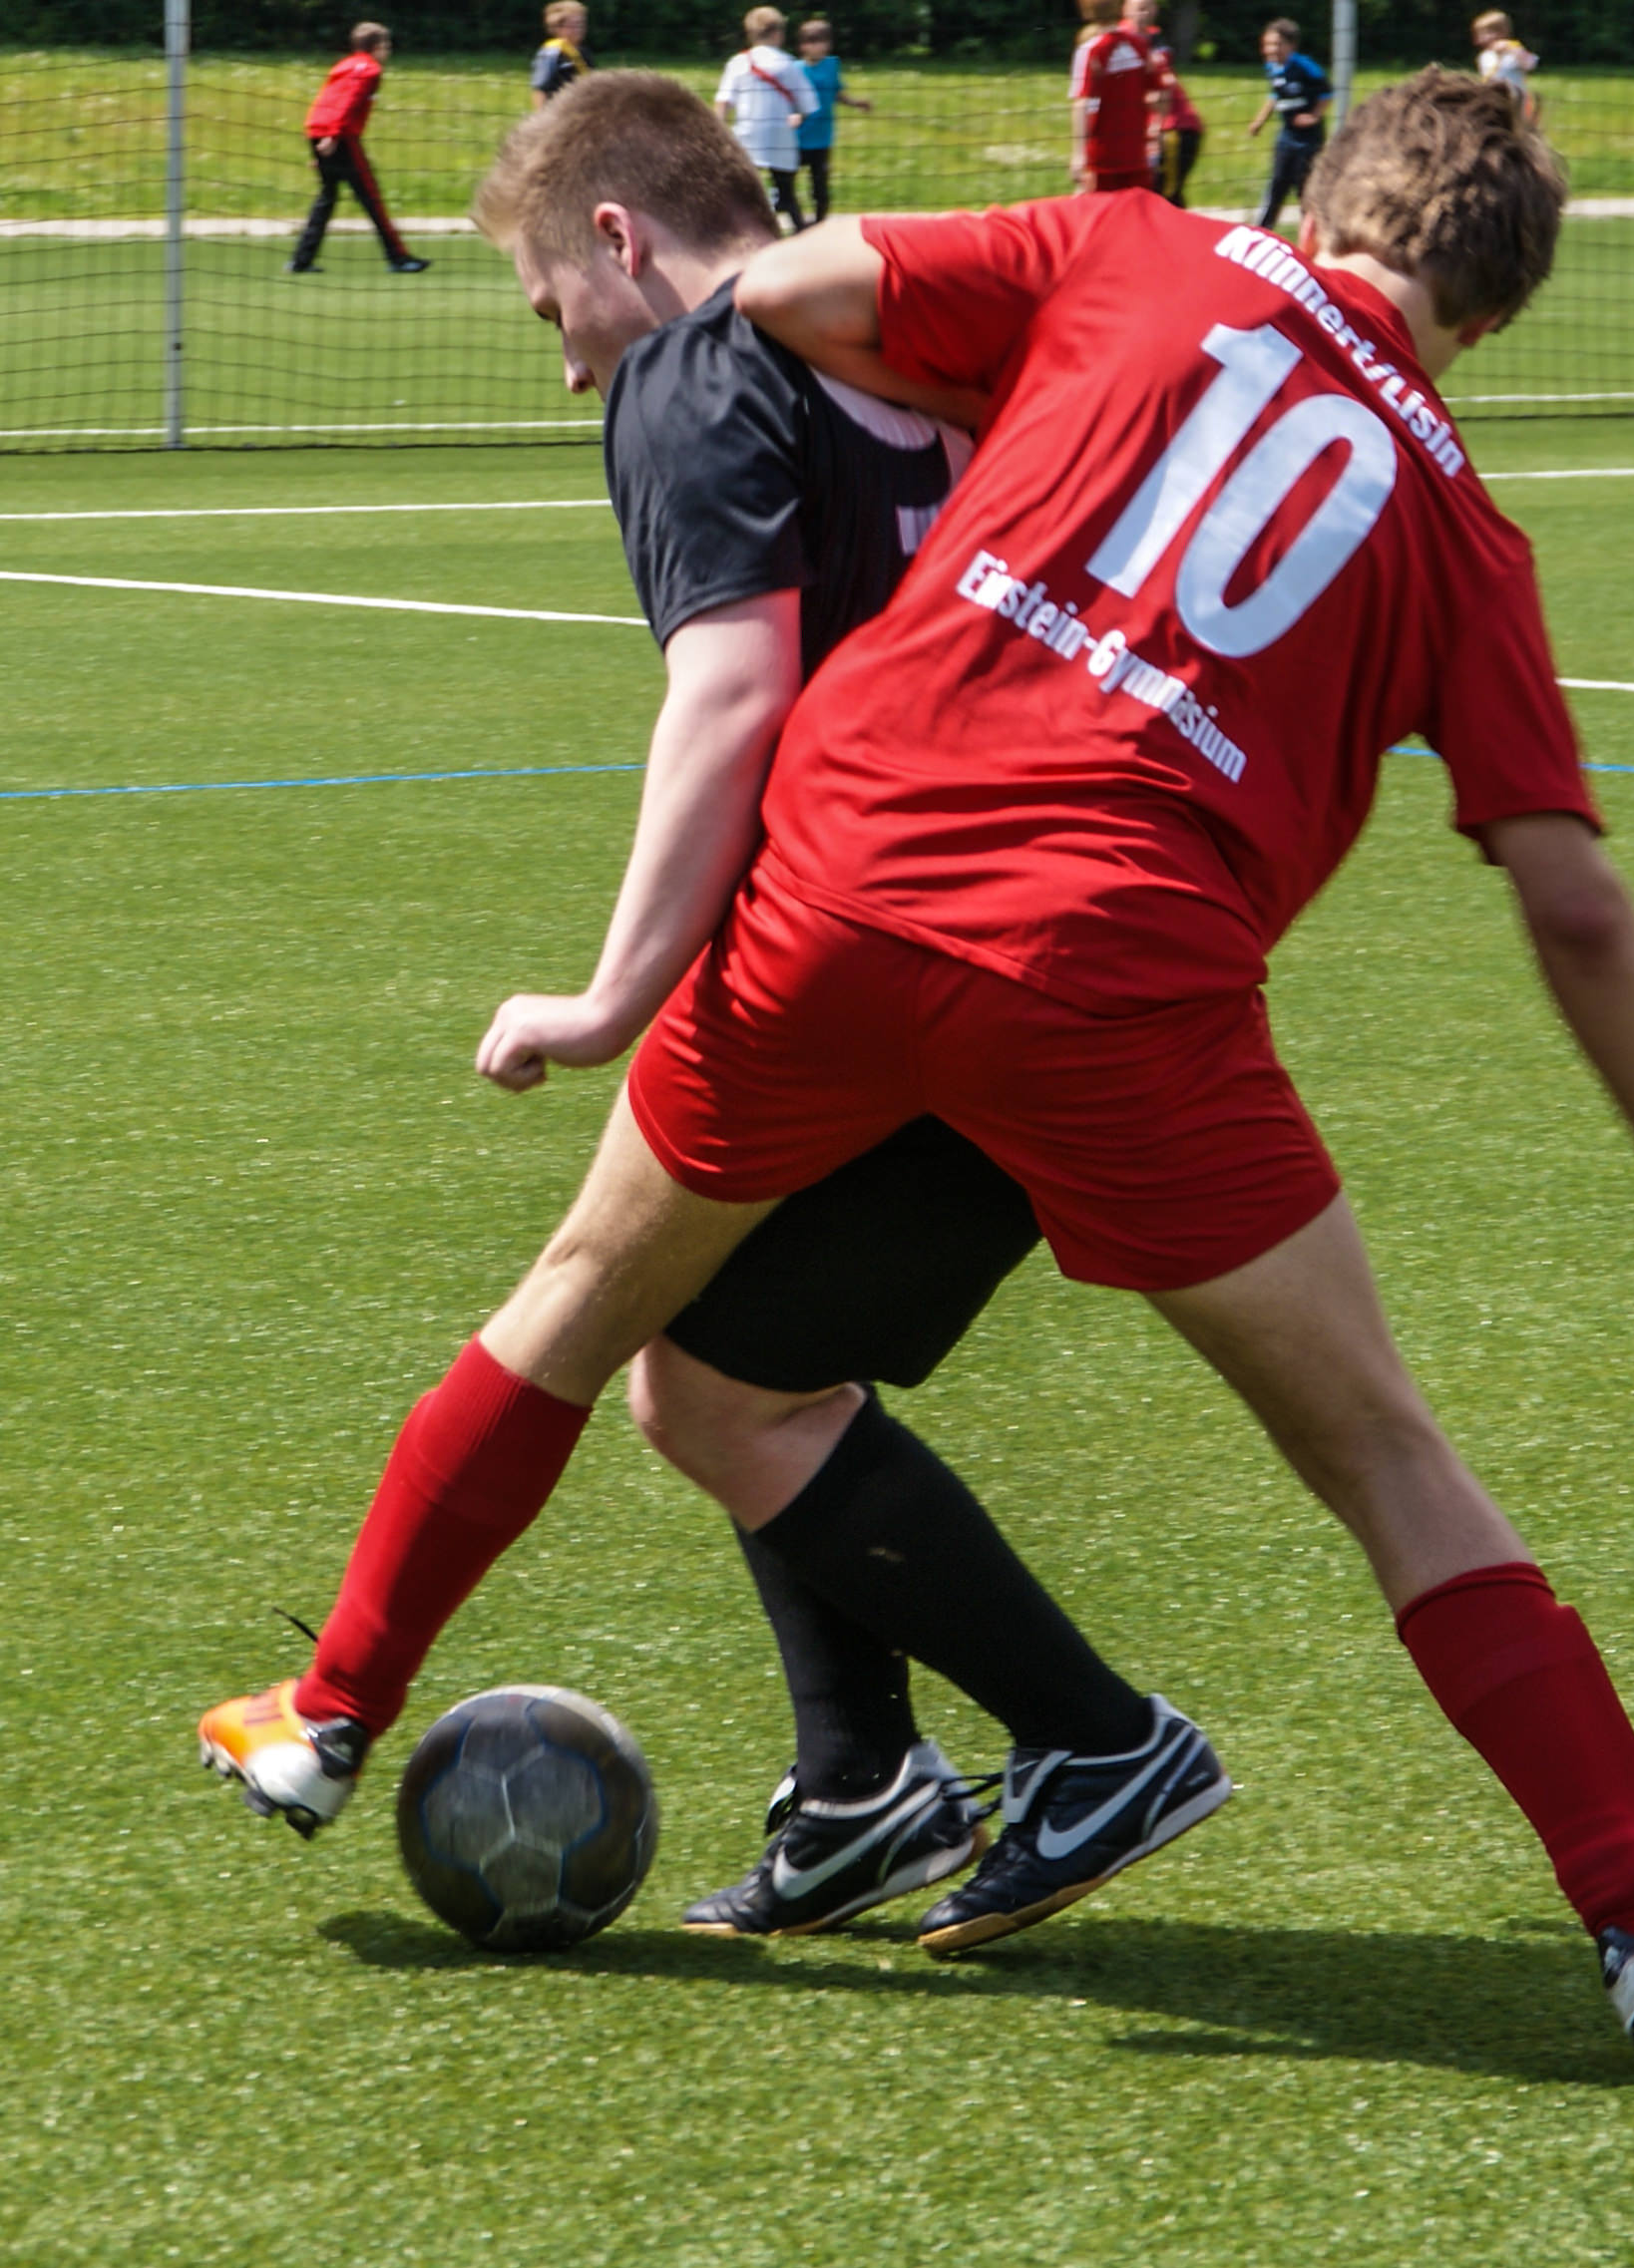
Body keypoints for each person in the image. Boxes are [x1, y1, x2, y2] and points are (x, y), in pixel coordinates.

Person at [204, 67, 1634, 2066]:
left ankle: (327, 1706)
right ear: (1493, 311)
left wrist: (1028, 401)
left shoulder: (1138, 249)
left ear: (1318, 194)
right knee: (1387, 1460)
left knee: (583, 1307)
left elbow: (791, 286)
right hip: (1124, 983)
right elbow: (1576, 904)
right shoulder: (1467, 537)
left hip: (848, 883)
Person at [457, 66, 1192, 1941]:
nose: (569, 366)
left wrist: (613, 991)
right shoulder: (927, 349)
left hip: (933, 955)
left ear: (617, 235)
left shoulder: (698, 376)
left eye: (552, 308)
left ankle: (1094, 1736)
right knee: (729, 1356)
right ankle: (864, 1781)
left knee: (694, 1375)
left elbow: (734, 691)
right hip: (1039, 925)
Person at [289, 22, 431, 275]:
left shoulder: (343, 65)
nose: (388, 51)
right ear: (376, 47)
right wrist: (333, 136)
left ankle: (301, 260)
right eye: (386, 45)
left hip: (316, 130)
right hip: (340, 137)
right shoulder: (371, 70)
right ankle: (399, 258)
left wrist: (321, 143)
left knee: (327, 198)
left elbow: (326, 100)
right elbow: (349, 102)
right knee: (371, 198)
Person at [718, 7, 821, 234]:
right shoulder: (788, 64)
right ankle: (799, 233)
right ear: (778, 34)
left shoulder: (738, 63)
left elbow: (724, 101)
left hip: (747, 136)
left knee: (742, 190)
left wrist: (719, 130)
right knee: (787, 191)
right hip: (780, 136)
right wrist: (797, 117)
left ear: (750, 34)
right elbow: (808, 104)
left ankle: (739, 232)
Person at [1244, 17, 1334, 229]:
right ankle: (1263, 230)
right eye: (1267, 44)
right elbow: (1275, 94)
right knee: (1277, 183)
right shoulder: (1272, 67)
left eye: (1277, 44)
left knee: (1305, 187)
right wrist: (1260, 121)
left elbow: (1327, 93)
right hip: (1287, 135)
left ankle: (1311, 233)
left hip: (1308, 139)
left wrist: (1314, 116)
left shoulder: (1305, 66)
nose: (1271, 49)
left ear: (1291, 45)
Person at [1073, 0, 1165, 195]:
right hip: (1136, 152)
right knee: (1137, 210)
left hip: (1102, 156)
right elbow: (1159, 95)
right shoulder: (1140, 45)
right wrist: (1156, 127)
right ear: (1120, 8)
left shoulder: (1091, 49)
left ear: (1086, 12)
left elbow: (1082, 103)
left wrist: (1078, 154)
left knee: (1099, 210)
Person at [794, 19, 872, 224]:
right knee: (787, 182)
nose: (823, 47)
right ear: (803, 46)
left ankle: (819, 223)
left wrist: (856, 103)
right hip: (797, 137)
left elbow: (835, 92)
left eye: (825, 42)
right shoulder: (794, 69)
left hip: (822, 137)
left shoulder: (831, 65)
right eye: (816, 42)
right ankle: (796, 221)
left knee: (820, 185)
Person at [1150, 16, 1206, 206]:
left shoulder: (1155, 63)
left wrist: (1155, 126)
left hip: (1174, 131)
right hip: (1168, 132)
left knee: (1166, 195)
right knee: (1164, 192)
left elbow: (1163, 90)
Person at [1473, 11, 1541, 130]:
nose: (1479, 39)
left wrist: (1513, 50)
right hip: (1494, 100)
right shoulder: (1484, 56)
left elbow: (1530, 64)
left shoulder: (1514, 52)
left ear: (1500, 33)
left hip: (1516, 101)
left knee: (1520, 129)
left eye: (1484, 34)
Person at [530, 0, 591, 107]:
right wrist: (543, 113)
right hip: (558, 110)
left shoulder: (584, 53)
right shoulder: (550, 53)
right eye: (573, 25)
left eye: (581, 24)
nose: (579, 29)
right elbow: (541, 89)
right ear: (558, 28)